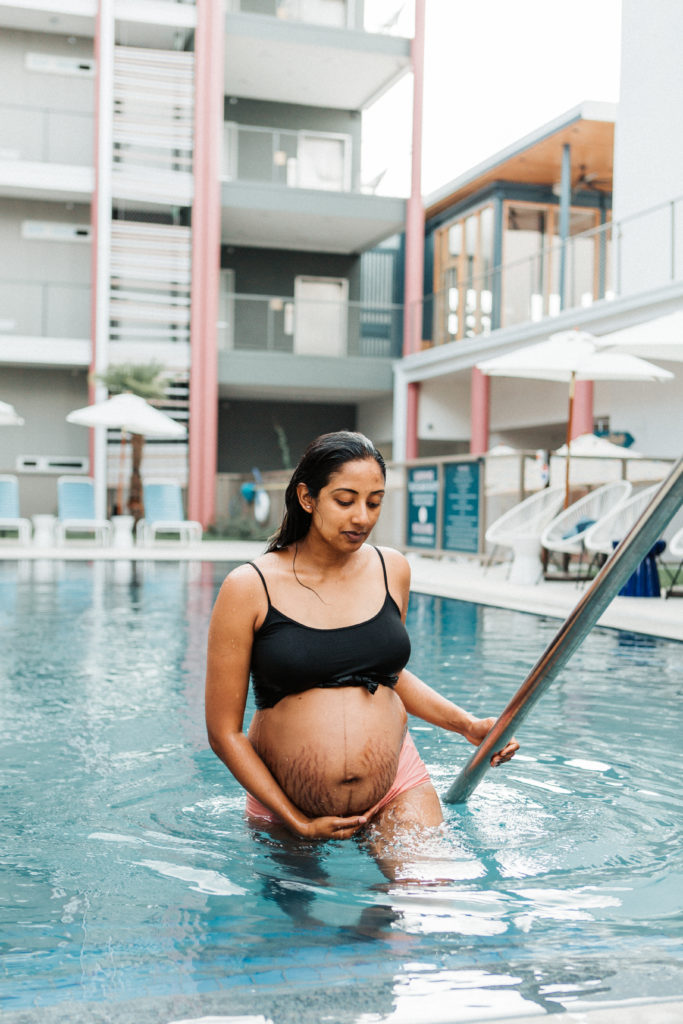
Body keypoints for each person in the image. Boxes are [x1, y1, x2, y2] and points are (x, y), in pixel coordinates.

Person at [205, 431, 518, 858]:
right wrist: (294, 818)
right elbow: (224, 733)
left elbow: (383, 673)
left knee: (425, 902)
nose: (362, 518)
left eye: (374, 502)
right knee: (301, 925)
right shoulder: (249, 586)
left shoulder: (392, 569)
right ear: (307, 497)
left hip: (396, 786)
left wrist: (466, 725)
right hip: (286, 801)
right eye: (345, 500)